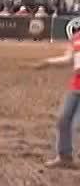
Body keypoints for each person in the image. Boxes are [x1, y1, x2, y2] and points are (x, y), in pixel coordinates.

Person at [34, 24, 80, 168]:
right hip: (76, 86)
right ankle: (64, 156)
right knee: (63, 120)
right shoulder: (77, 37)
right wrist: (48, 62)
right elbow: (68, 59)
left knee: (78, 124)